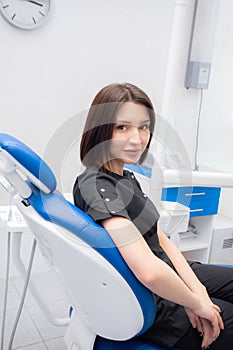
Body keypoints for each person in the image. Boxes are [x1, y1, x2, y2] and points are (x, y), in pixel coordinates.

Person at [73, 82, 233, 350]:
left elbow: (162, 240)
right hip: (158, 303)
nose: (137, 139)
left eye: (144, 127)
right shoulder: (96, 186)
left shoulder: (123, 176)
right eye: (122, 127)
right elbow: (149, 273)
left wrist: (199, 292)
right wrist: (193, 304)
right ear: (100, 129)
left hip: (170, 274)